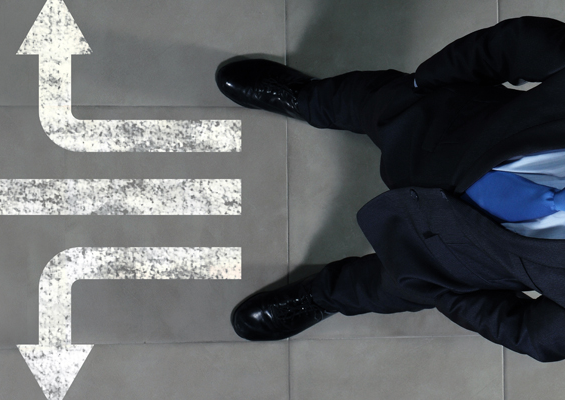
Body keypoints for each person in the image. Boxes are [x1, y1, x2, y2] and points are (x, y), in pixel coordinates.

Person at [217, 15, 565, 363]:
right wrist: (429, 80)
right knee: (372, 103)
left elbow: (536, 335)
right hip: (450, 127)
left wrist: (446, 293)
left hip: (457, 261)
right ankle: (307, 99)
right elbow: (523, 43)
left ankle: (324, 296)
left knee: (387, 285)